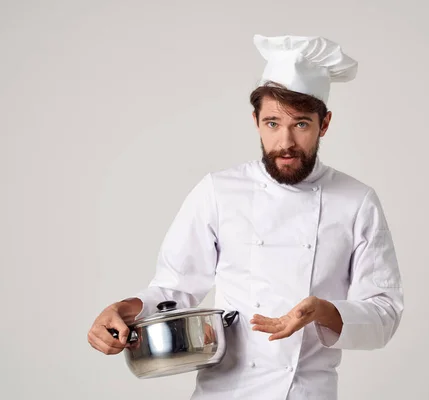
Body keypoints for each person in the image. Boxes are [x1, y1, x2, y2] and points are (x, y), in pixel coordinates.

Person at [88, 34, 404, 399]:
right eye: (272, 123)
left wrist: (323, 311)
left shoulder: (357, 201)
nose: (285, 141)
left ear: (325, 124)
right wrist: (124, 309)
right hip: (224, 391)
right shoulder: (219, 191)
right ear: (256, 121)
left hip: (306, 391)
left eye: (300, 124)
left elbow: (384, 314)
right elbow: (175, 288)